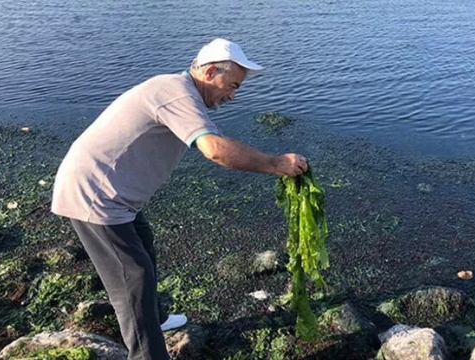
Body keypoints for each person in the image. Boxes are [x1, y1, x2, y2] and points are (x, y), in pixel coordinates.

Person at [51, 38, 308, 360]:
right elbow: (214, 149)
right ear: (211, 70)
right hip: (94, 196)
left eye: (237, 89)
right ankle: (147, 353)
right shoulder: (176, 92)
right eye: (231, 85)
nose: (232, 95)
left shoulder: (180, 92)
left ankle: (155, 321)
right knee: (134, 276)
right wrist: (275, 163)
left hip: (115, 195)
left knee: (143, 245)